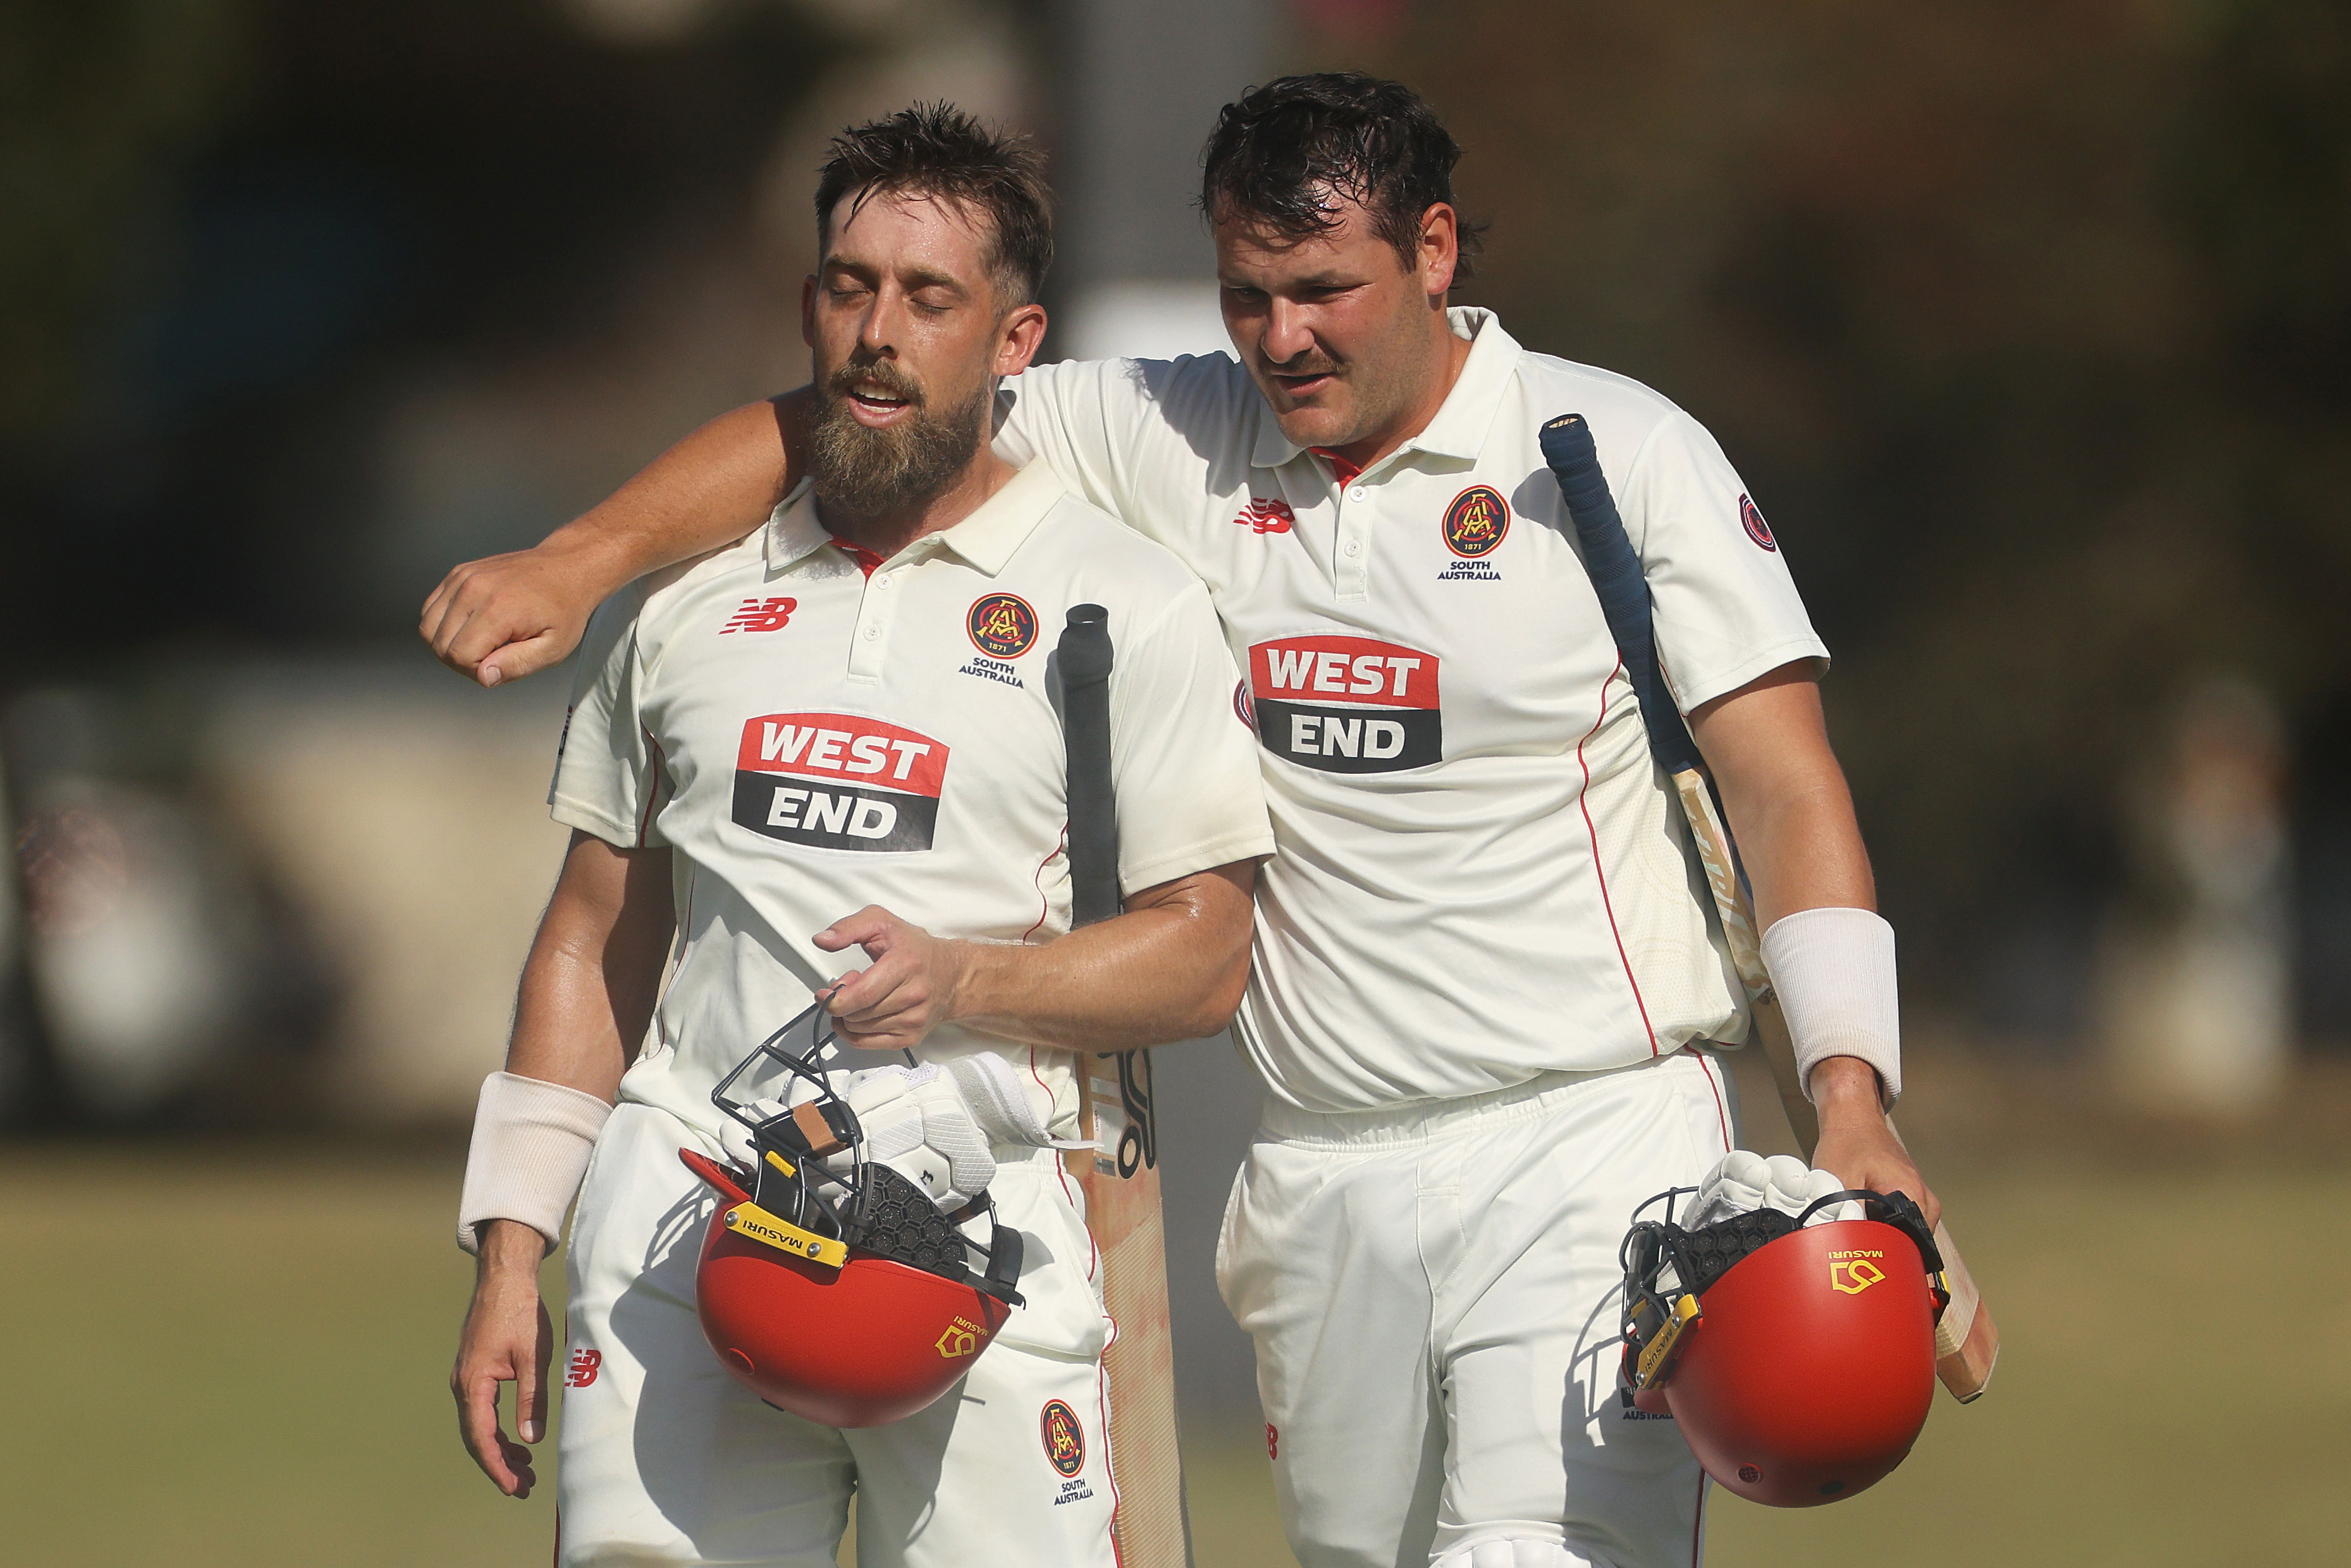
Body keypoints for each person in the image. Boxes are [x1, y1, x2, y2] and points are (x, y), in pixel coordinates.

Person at [430, 73, 1936, 1568]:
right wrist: (584, 562)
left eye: (1325, 290)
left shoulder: (1610, 454)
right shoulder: (1167, 427)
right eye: (1246, 295)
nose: (1282, 339)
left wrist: (1846, 1089)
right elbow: (855, 404)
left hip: (1586, 1130)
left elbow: (1785, 789)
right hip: (1321, 1162)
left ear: (1432, 251)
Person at [446, 106, 1274, 1568]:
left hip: (983, 1227)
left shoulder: (1120, 600)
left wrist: (969, 980)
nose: (877, 331)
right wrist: (514, 1244)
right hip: (684, 1219)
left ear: (1013, 342)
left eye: (929, 297)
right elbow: (592, 936)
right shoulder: (684, 602)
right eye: (849, 286)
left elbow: (1207, 960)